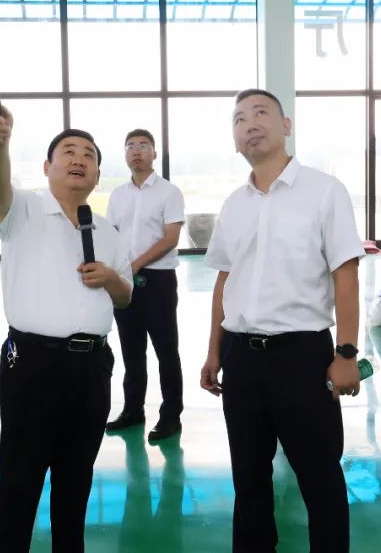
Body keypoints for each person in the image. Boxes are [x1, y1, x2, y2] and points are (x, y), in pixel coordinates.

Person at [200, 89, 365, 552]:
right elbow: (225, 279)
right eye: (239, 119)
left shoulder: (324, 191)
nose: (249, 124)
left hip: (302, 357)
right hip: (241, 357)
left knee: (319, 477)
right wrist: (214, 350)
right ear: (234, 138)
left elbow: (346, 273)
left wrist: (346, 353)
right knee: (248, 479)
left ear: (286, 125)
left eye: (260, 113)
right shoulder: (234, 204)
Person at [0, 105, 133, 552]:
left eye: (89, 155)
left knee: (76, 479)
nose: (79, 159)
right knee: (20, 480)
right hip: (33, 364)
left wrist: (111, 279)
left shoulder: (106, 230)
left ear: (98, 174)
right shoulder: (23, 210)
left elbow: (125, 297)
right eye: (68, 151)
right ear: (47, 167)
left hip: (92, 369)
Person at [104, 128, 186, 443]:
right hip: (125, 281)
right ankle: (133, 410)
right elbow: (111, 235)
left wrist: (135, 264)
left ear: (154, 153)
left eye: (143, 146)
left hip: (158, 281)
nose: (136, 151)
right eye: (130, 146)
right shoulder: (118, 195)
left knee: (166, 350)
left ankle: (171, 416)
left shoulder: (169, 192)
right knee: (131, 350)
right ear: (125, 154)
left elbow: (171, 238)